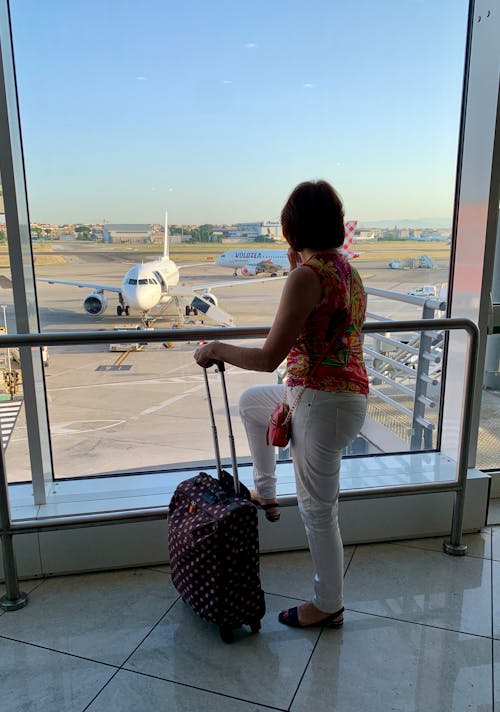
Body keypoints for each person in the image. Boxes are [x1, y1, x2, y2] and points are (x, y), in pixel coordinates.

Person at [194, 180, 368, 629]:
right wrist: (298, 268)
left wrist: (217, 347)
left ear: (291, 228)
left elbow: (269, 356)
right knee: (254, 404)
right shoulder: (346, 270)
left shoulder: (306, 277)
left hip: (320, 403)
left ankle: (328, 604)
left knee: (317, 510)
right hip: (333, 397)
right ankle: (265, 490)